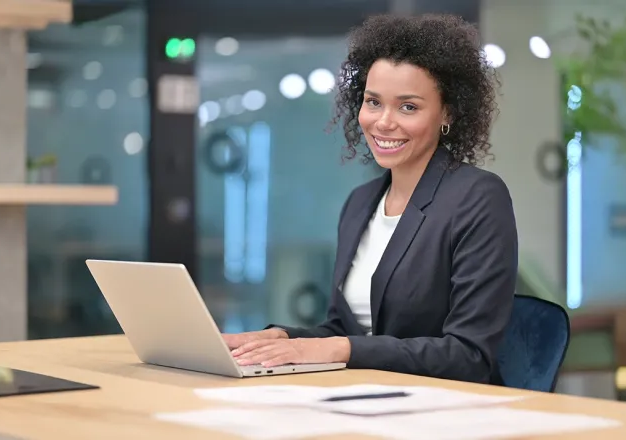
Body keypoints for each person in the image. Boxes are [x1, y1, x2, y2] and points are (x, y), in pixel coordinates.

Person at [222, 13, 518, 385]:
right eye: (373, 102)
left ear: (447, 113)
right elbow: (344, 330)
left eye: (408, 107)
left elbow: (468, 355)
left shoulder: (477, 197)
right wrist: (280, 339)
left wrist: (341, 349)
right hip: (366, 396)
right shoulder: (360, 203)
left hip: (445, 409)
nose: (383, 122)